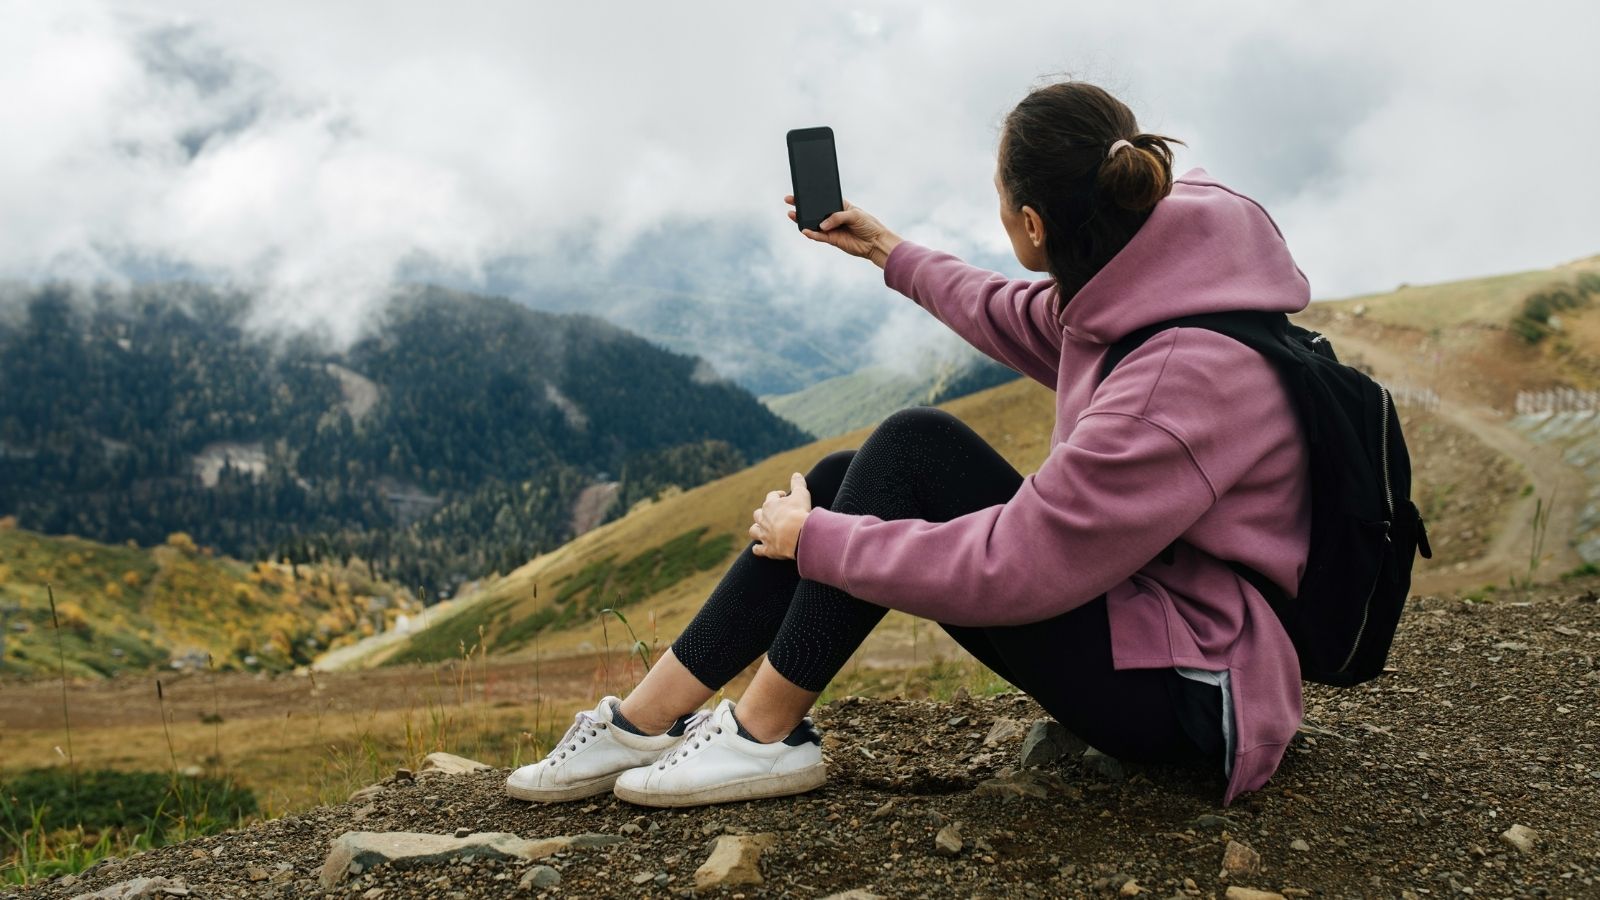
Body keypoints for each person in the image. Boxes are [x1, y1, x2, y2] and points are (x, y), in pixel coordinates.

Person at [505, 78, 1311, 809]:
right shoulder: (1140, 273)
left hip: (1195, 688)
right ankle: (643, 723)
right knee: (841, 476)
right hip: (1145, 618)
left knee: (904, 452)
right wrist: (889, 252)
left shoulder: (1180, 376)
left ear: (1031, 223)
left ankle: (763, 739)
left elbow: (1016, 566)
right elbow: (1012, 312)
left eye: (999, 197)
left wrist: (813, 542)